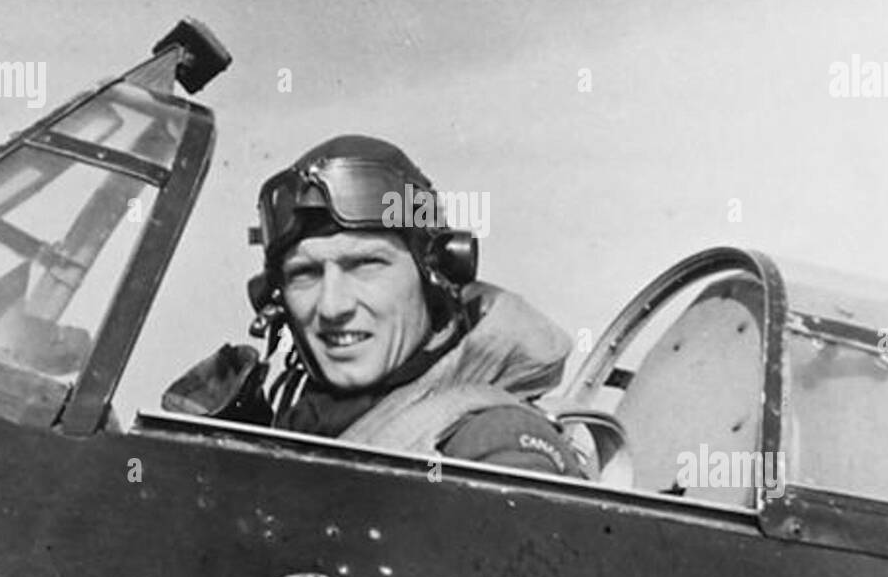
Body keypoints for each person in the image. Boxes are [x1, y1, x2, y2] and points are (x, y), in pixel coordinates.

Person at [162, 135, 585, 477]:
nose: (331, 307)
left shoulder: (492, 446)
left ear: (435, 276)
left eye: (365, 265)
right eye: (304, 274)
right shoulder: (304, 429)